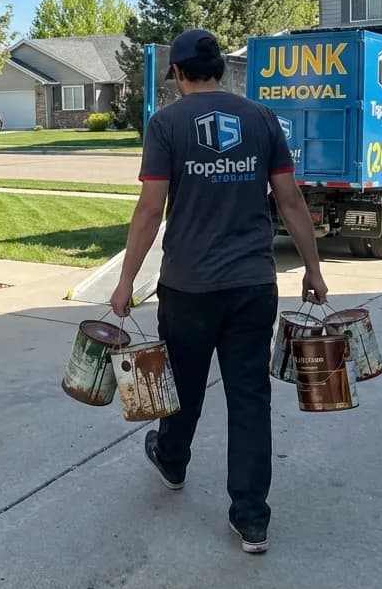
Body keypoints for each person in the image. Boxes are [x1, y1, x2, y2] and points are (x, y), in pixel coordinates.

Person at [110, 28, 329, 554]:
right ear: (221, 70)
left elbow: (150, 210)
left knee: (181, 385)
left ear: (179, 74)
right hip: (253, 283)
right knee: (249, 398)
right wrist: (314, 270)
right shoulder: (261, 120)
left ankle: (173, 461)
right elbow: (292, 202)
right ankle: (251, 519)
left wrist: (125, 281)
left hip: (188, 286)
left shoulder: (165, 124)